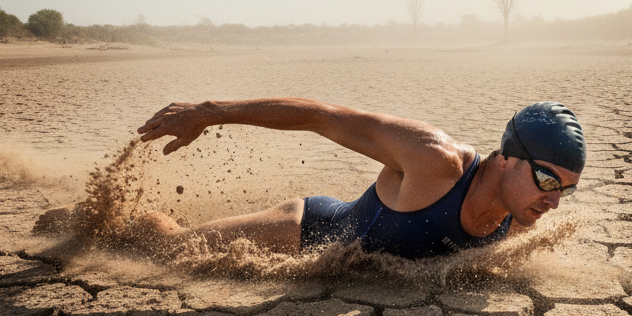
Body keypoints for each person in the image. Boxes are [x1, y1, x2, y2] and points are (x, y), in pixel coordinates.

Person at [135, 98, 585, 259]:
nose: (555, 201)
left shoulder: (520, 217)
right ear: (507, 159)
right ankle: (91, 218)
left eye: (566, 189)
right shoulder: (437, 162)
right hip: (307, 231)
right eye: (548, 181)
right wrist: (211, 114)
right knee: (170, 246)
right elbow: (321, 117)